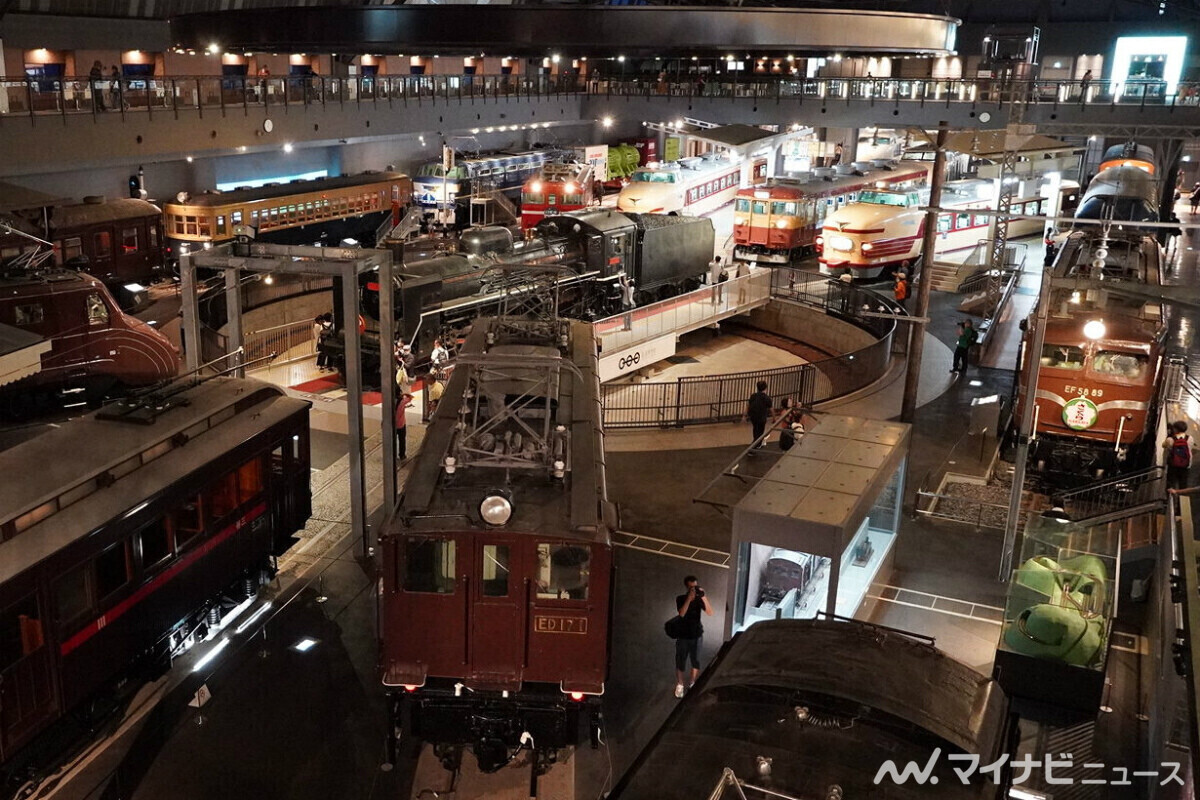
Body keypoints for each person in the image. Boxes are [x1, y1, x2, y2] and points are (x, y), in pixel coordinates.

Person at [673, 575, 713, 698]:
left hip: (697, 635)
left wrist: (704, 597)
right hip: (683, 636)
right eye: (691, 587)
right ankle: (680, 684)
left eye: (695, 587)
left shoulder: (699, 600)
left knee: (696, 660)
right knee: (681, 660)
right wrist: (688, 600)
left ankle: (692, 682)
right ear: (687, 587)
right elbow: (681, 613)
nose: (693, 590)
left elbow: (710, 612)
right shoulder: (680, 599)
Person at [1163, 420, 1194, 492]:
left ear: (1175, 429)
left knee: (1170, 484)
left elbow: (1163, 445)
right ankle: (1183, 502)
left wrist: (1169, 436)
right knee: (1183, 485)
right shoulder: (1190, 438)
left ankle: (1169, 501)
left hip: (1173, 465)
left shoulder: (1170, 439)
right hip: (1186, 465)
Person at [745, 380, 772, 448]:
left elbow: (748, 405)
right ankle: (755, 444)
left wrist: (745, 415)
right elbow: (771, 408)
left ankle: (756, 442)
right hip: (761, 417)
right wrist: (774, 418)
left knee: (755, 429)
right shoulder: (767, 398)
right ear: (766, 388)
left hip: (753, 416)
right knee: (760, 431)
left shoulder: (753, 396)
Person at [394, 392, 414, 460]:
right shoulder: (402, 402)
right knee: (402, 440)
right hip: (401, 424)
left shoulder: (390, 402)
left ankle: (392, 455)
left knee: (392, 441)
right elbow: (411, 397)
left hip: (393, 425)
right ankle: (402, 455)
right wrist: (404, 394)